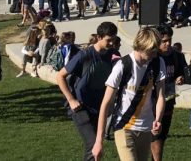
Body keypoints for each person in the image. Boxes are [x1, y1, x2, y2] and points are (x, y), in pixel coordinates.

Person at [93, 26, 166, 161]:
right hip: (124, 126)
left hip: (146, 127)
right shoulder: (122, 65)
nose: (155, 55)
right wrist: (98, 141)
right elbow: (105, 104)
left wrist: (158, 120)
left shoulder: (157, 62)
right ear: (142, 46)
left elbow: (161, 95)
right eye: (152, 51)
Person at [56, 22, 119, 161]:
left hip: (99, 108)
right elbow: (60, 76)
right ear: (99, 37)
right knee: (93, 146)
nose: (111, 44)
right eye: (108, 40)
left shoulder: (114, 54)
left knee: (96, 147)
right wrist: (71, 100)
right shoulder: (84, 55)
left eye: (113, 40)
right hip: (80, 107)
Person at [152, 25, 184, 161]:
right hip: (151, 103)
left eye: (169, 40)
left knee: (162, 137)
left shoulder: (177, 55)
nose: (168, 44)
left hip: (168, 101)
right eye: (164, 41)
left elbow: (183, 72)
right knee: (156, 137)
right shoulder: (151, 57)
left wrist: (181, 78)